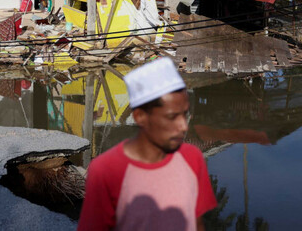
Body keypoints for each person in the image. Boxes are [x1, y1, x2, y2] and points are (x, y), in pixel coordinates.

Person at [77, 58, 216, 231]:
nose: (183, 126)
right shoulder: (104, 169)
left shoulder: (192, 158)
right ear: (141, 117)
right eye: (172, 116)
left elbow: (197, 223)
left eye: (185, 114)